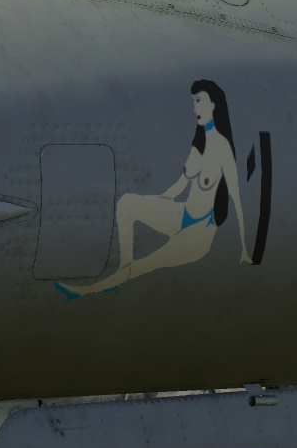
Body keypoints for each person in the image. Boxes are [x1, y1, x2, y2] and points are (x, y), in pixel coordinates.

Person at [54, 79, 248, 299]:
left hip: (199, 232)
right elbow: (180, 185)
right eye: (193, 102)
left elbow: (235, 194)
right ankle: (123, 268)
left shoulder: (222, 148)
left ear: (214, 105)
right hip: (182, 214)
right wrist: (159, 201)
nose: (195, 108)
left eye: (199, 101)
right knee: (127, 203)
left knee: (145, 264)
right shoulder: (199, 144)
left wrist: (244, 247)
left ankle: (85, 291)